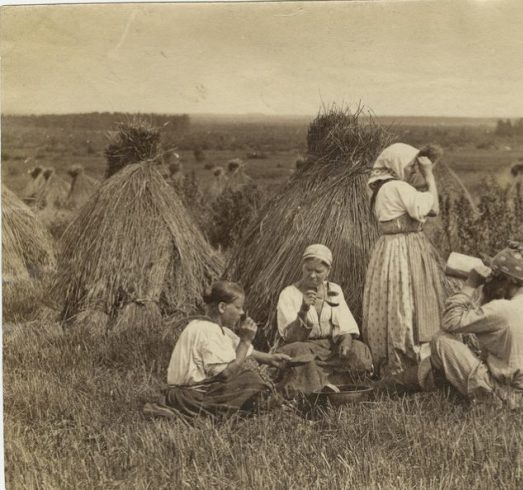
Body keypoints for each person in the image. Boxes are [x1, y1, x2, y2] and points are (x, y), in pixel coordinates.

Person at [426, 241, 523, 409]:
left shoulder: (502, 309)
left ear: (506, 281)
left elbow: (450, 321)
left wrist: (470, 285)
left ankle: (429, 390)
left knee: (441, 340)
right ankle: (424, 383)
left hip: (504, 396)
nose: (489, 283)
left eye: (493, 278)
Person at [145, 280, 292, 419]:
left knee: (250, 381)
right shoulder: (206, 330)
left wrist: (271, 359)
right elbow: (226, 374)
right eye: (238, 307)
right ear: (222, 307)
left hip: (193, 392)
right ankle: (180, 411)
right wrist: (246, 340)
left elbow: (248, 352)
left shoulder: (219, 330)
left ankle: (237, 410)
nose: (242, 313)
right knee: (251, 381)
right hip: (189, 395)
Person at [362, 142, 446, 385]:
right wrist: (429, 175)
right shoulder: (397, 187)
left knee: (397, 302)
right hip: (405, 250)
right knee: (408, 303)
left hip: (391, 250)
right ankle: (412, 366)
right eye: (409, 165)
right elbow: (435, 209)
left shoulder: (381, 188)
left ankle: (397, 364)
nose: (412, 170)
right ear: (395, 164)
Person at [276, 244, 373, 395]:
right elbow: (291, 338)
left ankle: (336, 384)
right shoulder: (289, 294)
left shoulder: (334, 290)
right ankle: (315, 389)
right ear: (302, 267)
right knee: (301, 354)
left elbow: (345, 323)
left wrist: (346, 342)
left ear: (328, 272)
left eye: (318, 271)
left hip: (331, 348)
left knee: (358, 349)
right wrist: (303, 310)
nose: (312, 275)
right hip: (306, 346)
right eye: (308, 269)